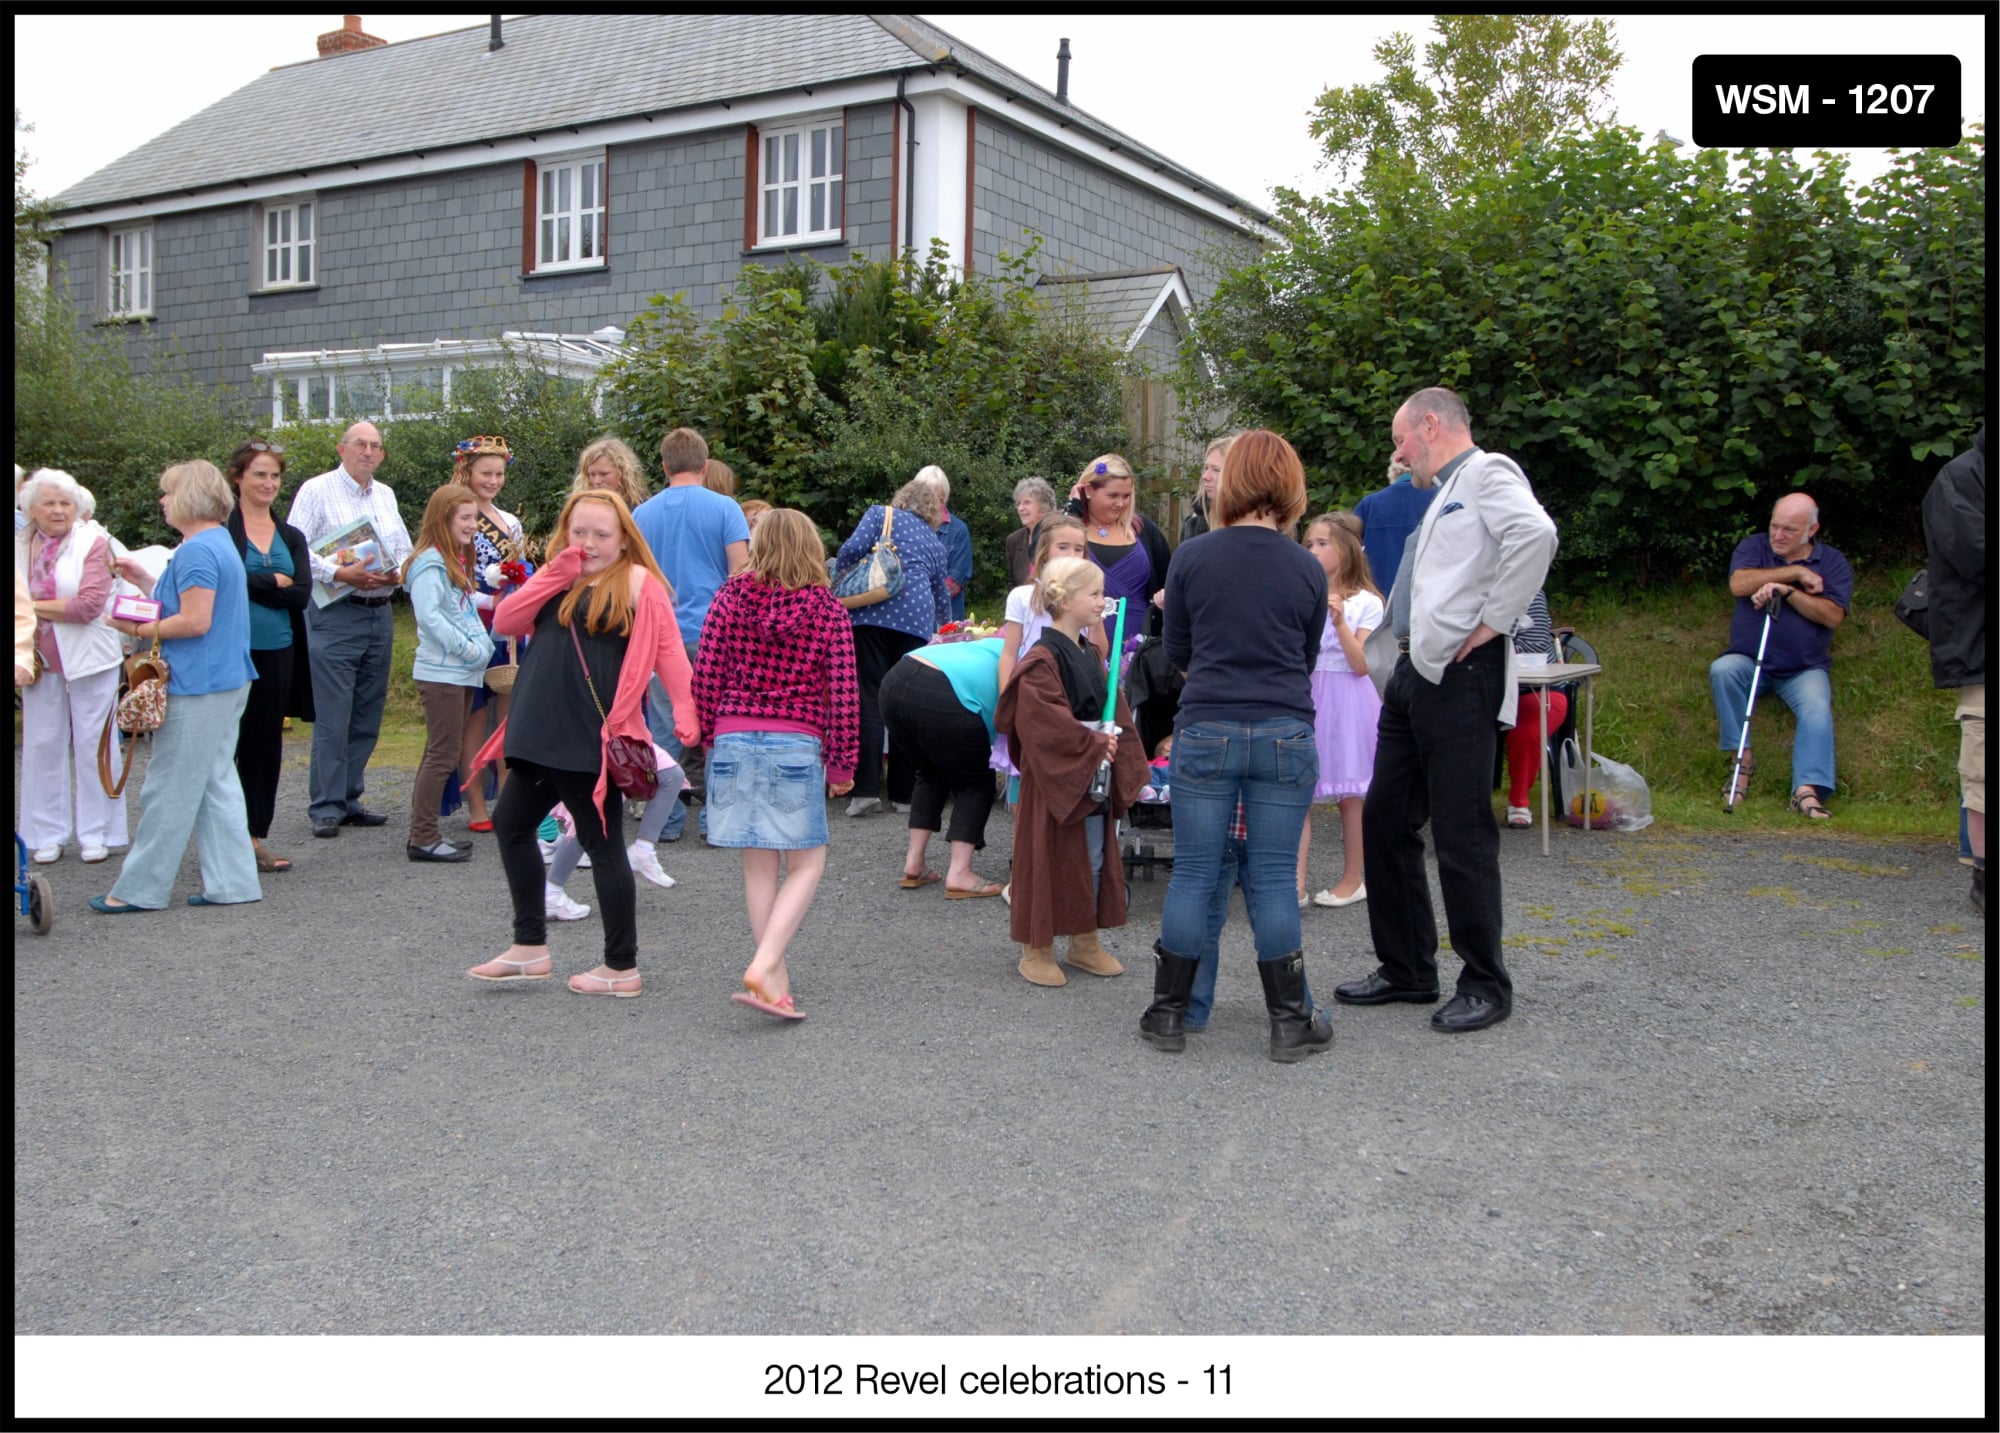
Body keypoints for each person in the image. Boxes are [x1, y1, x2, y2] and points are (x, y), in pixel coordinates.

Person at [1339, 387, 1558, 1033]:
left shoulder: (1487, 472)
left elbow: (1537, 534)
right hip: (1414, 673)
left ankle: (1485, 981)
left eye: (1401, 437)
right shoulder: (1447, 490)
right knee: (1385, 818)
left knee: (1462, 832)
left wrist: (1493, 623)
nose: (1398, 451)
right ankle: (1407, 967)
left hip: (1460, 676)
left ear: (1432, 425)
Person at [1138, 431, 1334, 1061]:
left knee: (1195, 871)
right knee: (1275, 878)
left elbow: (1180, 653)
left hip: (1207, 728)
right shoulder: (1306, 565)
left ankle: (1170, 1015)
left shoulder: (1193, 558)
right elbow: (1303, 658)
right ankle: (1289, 1023)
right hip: (1283, 730)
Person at [466, 489, 699, 997]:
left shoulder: (639, 582)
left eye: (601, 535)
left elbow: (669, 653)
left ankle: (621, 967)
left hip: (586, 731)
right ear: (565, 531)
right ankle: (530, 948)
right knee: (512, 823)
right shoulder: (559, 575)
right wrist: (556, 571)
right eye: (579, 533)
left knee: (602, 842)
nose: (589, 543)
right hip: (539, 725)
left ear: (623, 540)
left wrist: (686, 712)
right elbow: (506, 622)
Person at [692, 508, 860, 1020]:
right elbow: (844, 692)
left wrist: (707, 737)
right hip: (795, 742)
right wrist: (843, 762)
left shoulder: (728, 599)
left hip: (733, 736)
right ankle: (767, 966)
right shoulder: (827, 609)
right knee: (808, 862)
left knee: (759, 864)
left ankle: (774, 977)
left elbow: (706, 673)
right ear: (811, 547)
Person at [93, 460, 260, 912]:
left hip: (198, 681)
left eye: (168, 493)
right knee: (215, 782)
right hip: (227, 677)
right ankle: (233, 882)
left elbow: (194, 620)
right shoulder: (215, 542)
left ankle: (139, 890)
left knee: (167, 787)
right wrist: (147, 582)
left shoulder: (195, 551)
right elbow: (197, 604)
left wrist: (132, 627)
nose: (163, 501)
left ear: (188, 498)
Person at [996, 556, 1148, 987]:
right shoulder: (1041, 659)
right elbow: (1042, 721)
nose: (1104, 601)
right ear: (1064, 600)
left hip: (1091, 766)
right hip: (1056, 773)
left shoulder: (1089, 653)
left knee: (1093, 858)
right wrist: (1096, 741)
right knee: (1047, 857)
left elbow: (1110, 705)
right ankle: (1036, 948)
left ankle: (1084, 942)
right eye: (1096, 593)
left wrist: (1115, 738)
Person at [286, 421, 412, 838]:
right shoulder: (316, 490)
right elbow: (296, 547)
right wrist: (339, 571)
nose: (369, 452)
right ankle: (325, 805)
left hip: (379, 611)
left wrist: (399, 574)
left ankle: (349, 797)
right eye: (361, 444)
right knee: (333, 714)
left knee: (367, 712)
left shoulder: (386, 495)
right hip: (336, 610)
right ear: (342, 449)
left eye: (376, 446)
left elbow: (404, 550)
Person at [630, 427, 749, 841]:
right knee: (716, 727)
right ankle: (714, 821)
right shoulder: (726, 508)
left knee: (665, 728)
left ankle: (665, 821)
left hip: (660, 635)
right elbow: (740, 573)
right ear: (704, 463)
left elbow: (634, 578)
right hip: (714, 633)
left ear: (664, 466)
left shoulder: (641, 514)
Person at [1709, 493, 1852, 819]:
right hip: (1748, 661)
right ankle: (1741, 760)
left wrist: (1786, 594)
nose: (1778, 535)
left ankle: (1806, 789)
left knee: (1817, 707)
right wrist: (1792, 574)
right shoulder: (1754, 547)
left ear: (1811, 529)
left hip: (1804, 668)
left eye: (1789, 529)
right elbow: (1738, 583)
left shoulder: (1832, 563)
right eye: (1775, 526)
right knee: (1722, 670)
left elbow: (1832, 616)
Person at [16, 468, 128, 865]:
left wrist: (27, 606)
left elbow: (87, 606)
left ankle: (98, 832)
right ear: (31, 508)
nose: (58, 510)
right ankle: (47, 833)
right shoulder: (19, 543)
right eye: (49, 502)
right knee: (42, 744)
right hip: (37, 660)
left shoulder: (92, 542)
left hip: (91, 658)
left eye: (65, 502)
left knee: (94, 744)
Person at [835, 475, 953, 816]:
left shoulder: (879, 514)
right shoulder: (933, 541)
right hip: (916, 623)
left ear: (901, 498)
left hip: (870, 616)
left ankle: (866, 791)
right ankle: (903, 795)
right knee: (904, 705)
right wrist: (944, 630)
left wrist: (841, 583)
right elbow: (941, 593)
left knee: (870, 697)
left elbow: (849, 551)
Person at [223, 439, 314, 875]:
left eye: (275, 475)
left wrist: (255, 581)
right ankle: (221, 834)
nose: (268, 483)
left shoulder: (290, 535)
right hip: (229, 650)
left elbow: (300, 595)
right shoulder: (222, 530)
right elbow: (225, 582)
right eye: (259, 473)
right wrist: (270, 581)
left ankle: (254, 835)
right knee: (224, 745)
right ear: (238, 476)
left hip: (276, 651)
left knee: (263, 748)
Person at [404, 484, 494, 863]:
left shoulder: (450, 560)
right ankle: (422, 836)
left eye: (474, 517)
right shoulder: (429, 562)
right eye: (466, 517)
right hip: (443, 672)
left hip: (460, 672)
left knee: (443, 750)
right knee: (443, 753)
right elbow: (429, 617)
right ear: (444, 519)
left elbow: (462, 605)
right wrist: (470, 649)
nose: (473, 525)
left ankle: (424, 833)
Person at [881, 636, 1009, 898]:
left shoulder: (994, 644)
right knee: (975, 783)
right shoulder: (1032, 660)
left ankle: (914, 863)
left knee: (929, 772)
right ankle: (960, 873)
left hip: (897, 680)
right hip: (944, 692)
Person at [1301, 513, 1383, 908]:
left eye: (1322, 543)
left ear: (1346, 550)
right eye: (1309, 544)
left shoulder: (1366, 602)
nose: (1314, 551)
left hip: (1349, 700)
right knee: (1298, 789)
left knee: (1350, 795)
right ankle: (1294, 883)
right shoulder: (1303, 593)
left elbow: (1361, 663)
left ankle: (1354, 879)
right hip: (1309, 692)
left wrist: (1339, 622)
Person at [1921, 425, 1984, 913]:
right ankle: (1983, 876)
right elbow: (1974, 553)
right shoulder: (1959, 477)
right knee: (1982, 769)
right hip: (1981, 645)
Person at [456, 435, 529, 832]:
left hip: (508, 626)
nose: (493, 480)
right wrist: (488, 601)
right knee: (474, 716)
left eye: (499, 473)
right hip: (473, 623)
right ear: (467, 472)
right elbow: (456, 577)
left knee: (508, 718)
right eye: (486, 473)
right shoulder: (456, 515)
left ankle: (507, 798)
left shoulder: (510, 521)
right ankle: (476, 804)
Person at [543, 741, 686, 919]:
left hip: (615, 731)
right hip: (604, 733)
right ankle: (552, 893)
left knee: (591, 818)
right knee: (590, 818)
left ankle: (552, 892)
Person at [1064, 453, 1174, 640]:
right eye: (1113, 495)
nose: (1120, 503)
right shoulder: (1069, 528)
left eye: (1127, 496)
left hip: (1138, 636)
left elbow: (1169, 578)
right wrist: (1072, 511)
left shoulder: (1143, 529)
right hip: (1081, 635)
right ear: (1089, 490)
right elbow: (1043, 560)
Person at [997, 514, 1096, 693]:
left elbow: (1098, 651)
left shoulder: (1090, 598)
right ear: (1045, 552)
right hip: (1035, 686)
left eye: (1078, 549)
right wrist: (1006, 698)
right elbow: (1009, 654)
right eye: (1063, 547)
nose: (1072, 555)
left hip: (1077, 688)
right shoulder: (1022, 596)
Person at [1502, 589, 1565, 830]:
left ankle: (1519, 801)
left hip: (1537, 690)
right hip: (1489, 689)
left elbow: (1536, 644)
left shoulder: (1531, 592)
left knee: (1526, 732)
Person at [1352, 454, 1435, 601]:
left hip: (1380, 598)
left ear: (1392, 473)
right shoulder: (1440, 498)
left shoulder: (1370, 505)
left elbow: (1348, 549)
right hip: (1429, 597)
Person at [917, 465, 974, 623]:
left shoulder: (958, 530)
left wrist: (920, 599)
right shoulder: (906, 527)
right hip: (910, 618)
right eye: (927, 497)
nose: (933, 503)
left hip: (946, 618)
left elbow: (957, 579)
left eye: (939, 498)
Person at [571, 434, 652, 512]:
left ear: (622, 472)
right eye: (592, 474)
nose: (597, 481)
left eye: (604, 474)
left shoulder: (642, 510)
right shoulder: (581, 509)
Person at [1179, 435, 1236, 543]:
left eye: (1216, 470)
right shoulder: (1194, 525)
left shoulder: (1257, 525)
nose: (1205, 476)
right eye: (1206, 468)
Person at [1005, 476, 1057, 588]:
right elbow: (1012, 583)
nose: (1020, 508)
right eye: (1018, 504)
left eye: (1027, 502)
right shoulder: (1014, 540)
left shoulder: (1059, 534)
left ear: (1044, 505)